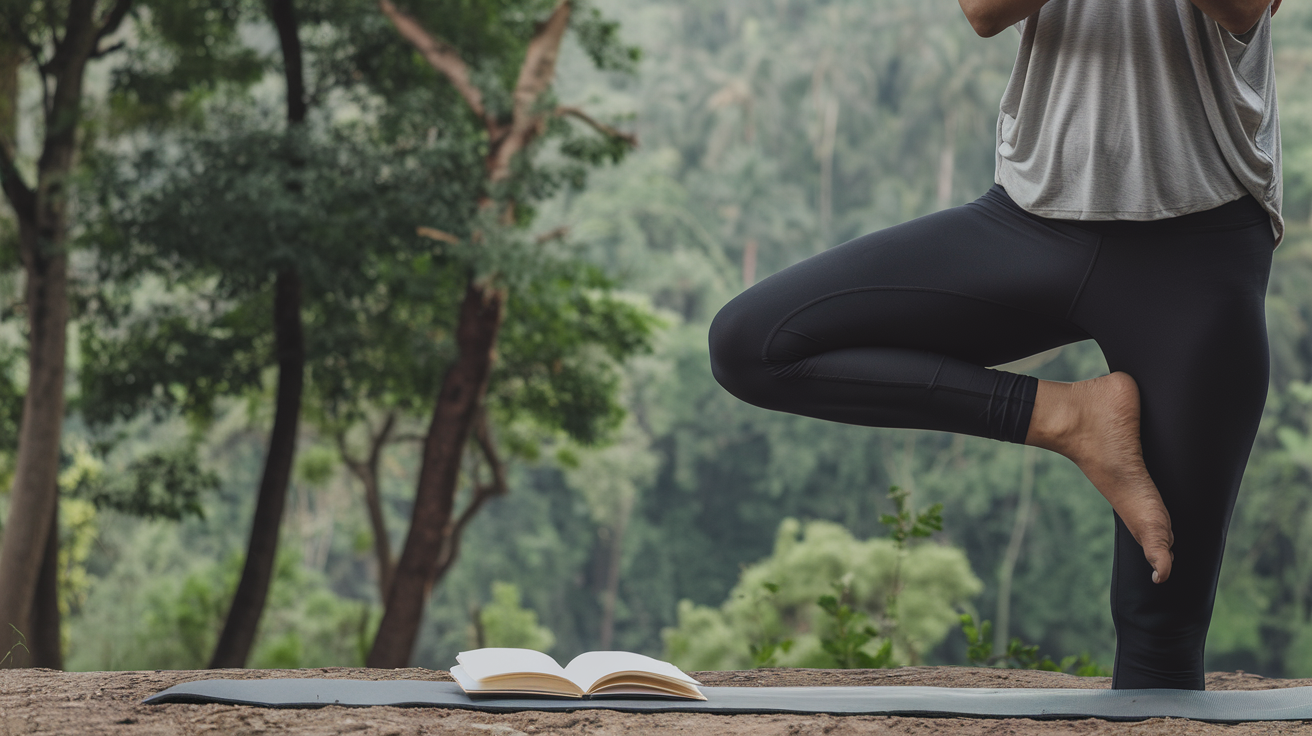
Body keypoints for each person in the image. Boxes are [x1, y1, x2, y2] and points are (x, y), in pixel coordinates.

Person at [707, 0, 1284, 690]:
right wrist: (1045, 413)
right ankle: (1065, 416)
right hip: (1031, 224)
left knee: (1161, 625)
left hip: (1199, 245)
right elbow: (984, 10)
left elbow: (1242, 9)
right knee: (753, 344)